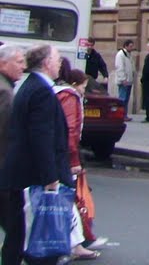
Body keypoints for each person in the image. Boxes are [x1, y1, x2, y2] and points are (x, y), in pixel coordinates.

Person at [0, 44, 73, 265]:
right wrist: (51, 178)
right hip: (32, 176)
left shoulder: (29, 86)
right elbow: (42, 137)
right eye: (58, 59)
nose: (60, 63)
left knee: (18, 234)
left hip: (19, 173)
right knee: (34, 236)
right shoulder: (40, 91)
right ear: (46, 63)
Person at [54, 68, 99, 259]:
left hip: (59, 154)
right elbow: (70, 129)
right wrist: (74, 159)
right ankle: (75, 244)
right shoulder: (70, 97)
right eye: (83, 86)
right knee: (69, 199)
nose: (83, 90)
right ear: (75, 84)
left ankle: (75, 242)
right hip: (65, 157)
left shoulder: (57, 93)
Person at [0, 45, 27, 265]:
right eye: (18, 62)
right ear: (3, 64)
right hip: (4, 171)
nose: (23, 66)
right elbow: (7, 134)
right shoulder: (5, 92)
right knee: (16, 228)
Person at [112, 41, 135, 107]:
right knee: (122, 99)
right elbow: (119, 67)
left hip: (129, 81)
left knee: (126, 99)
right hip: (124, 81)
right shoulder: (121, 55)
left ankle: (124, 115)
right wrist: (123, 79)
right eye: (130, 46)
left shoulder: (129, 55)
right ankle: (121, 115)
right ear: (126, 46)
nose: (132, 48)